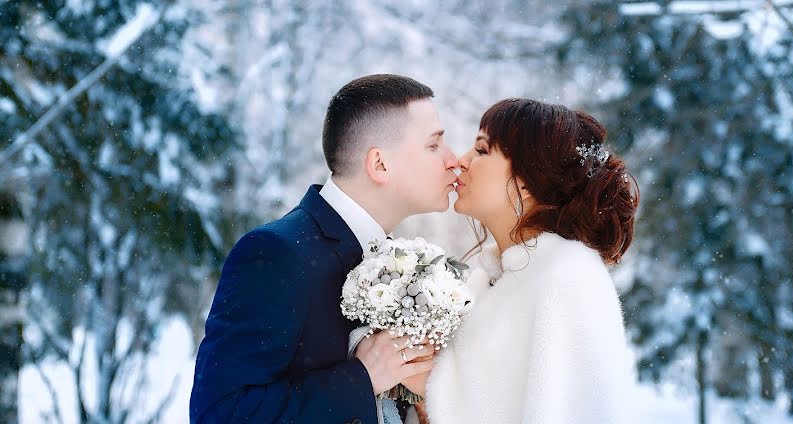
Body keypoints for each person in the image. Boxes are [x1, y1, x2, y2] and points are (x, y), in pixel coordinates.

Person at [190, 74, 460, 423]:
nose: (453, 160)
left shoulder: (400, 263)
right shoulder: (275, 254)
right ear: (380, 164)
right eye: (434, 145)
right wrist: (362, 378)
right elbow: (219, 414)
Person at [418, 98, 639, 424]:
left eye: (481, 151)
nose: (460, 161)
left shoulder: (570, 280)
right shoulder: (484, 282)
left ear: (525, 182)